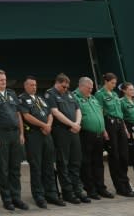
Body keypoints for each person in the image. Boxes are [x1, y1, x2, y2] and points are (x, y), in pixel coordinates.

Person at [0, 69, 28, 211]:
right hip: (1, 135)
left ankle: (17, 198)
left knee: (15, 168)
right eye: (1, 80)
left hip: (15, 134)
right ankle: (7, 199)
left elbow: (18, 114)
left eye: (5, 79)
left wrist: (22, 133)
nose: (4, 82)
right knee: (3, 169)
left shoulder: (11, 93)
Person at [19, 75, 63, 208]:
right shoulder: (22, 99)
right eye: (31, 85)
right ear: (25, 86)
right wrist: (43, 126)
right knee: (36, 167)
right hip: (34, 136)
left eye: (35, 85)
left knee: (49, 166)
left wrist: (48, 125)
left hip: (46, 135)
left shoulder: (40, 98)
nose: (34, 87)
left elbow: (49, 113)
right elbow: (26, 116)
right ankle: (39, 195)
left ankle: (51, 194)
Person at [45, 73, 89, 204]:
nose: (65, 89)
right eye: (63, 86)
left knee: (75, 161)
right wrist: (72, 124)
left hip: (74, 131)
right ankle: (67, 192)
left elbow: (78, 109)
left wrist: (77, 123)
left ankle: (78, 189)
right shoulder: (50, 94)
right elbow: (55, 112)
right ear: (57, 83)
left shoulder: (69, 94)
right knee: (63, 163)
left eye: (67, 86)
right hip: (61, 132)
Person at [94, 73, 134, 197]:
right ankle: (120, 187)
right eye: (112, 83)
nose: (114, 85)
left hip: (119, 124)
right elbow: (100, 112)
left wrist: (125, 129)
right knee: (115, 156)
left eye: (115, 83)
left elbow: (120, 113)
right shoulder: (99, 94)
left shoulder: (115, 94)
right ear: (106, 82)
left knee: (124, 156)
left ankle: (126, 183)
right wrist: (104, 130)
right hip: (109, 125)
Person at [74, 77, 113, 200]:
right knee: (86, 163)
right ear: (81, 86)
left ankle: (101, 188)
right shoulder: (75, 97)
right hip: (86, 134)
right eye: (88, 88)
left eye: (91, 88)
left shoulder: (93, 98)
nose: (90, 90)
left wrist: (104, 130)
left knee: (99, 163)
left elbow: (99, 113)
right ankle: (90, 189)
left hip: (99, 134)